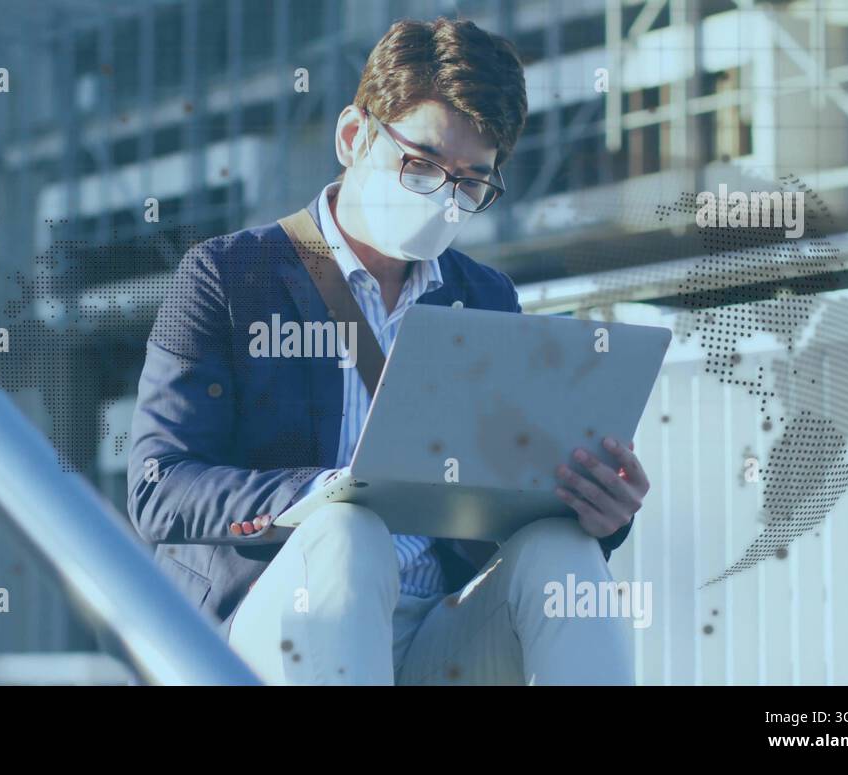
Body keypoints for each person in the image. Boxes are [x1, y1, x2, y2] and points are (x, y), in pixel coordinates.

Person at [128, 17, 649, 685]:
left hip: (435, 632)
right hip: (270, 629)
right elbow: (158, 488)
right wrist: (320, 495)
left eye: (469, 184)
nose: (443, 199)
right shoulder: (228, 277)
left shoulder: (485, 296)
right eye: (422, 165)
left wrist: (595, 508)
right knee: (350, 534)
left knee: (564, 554)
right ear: (353, 137)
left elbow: (506, 497)